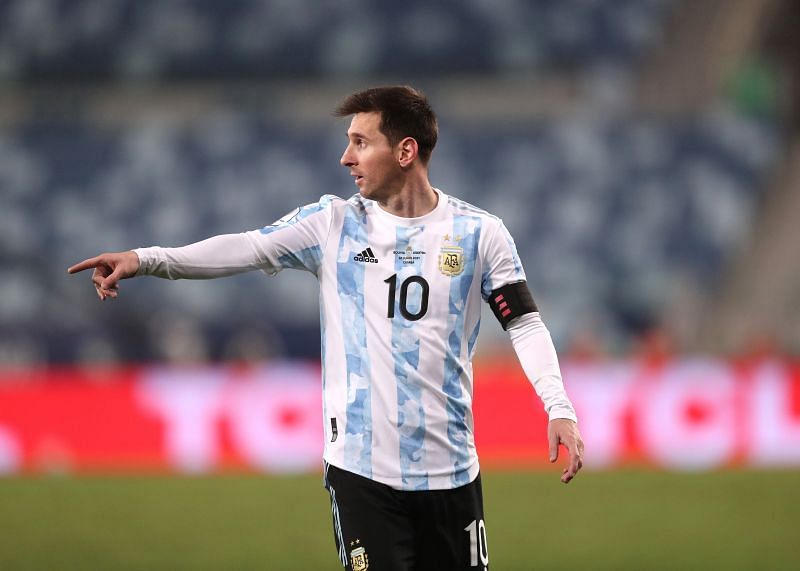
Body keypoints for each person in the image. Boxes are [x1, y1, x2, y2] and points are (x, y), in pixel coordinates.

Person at [69, 86, 584, 571]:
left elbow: (525, 323)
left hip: (452, 471)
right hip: (361, 473)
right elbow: (247, 248)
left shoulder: (480, 234)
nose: (346, 158)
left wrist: (558, 406)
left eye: (361, 142)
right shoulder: (333, 223)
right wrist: (146, 259)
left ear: (405, 151)